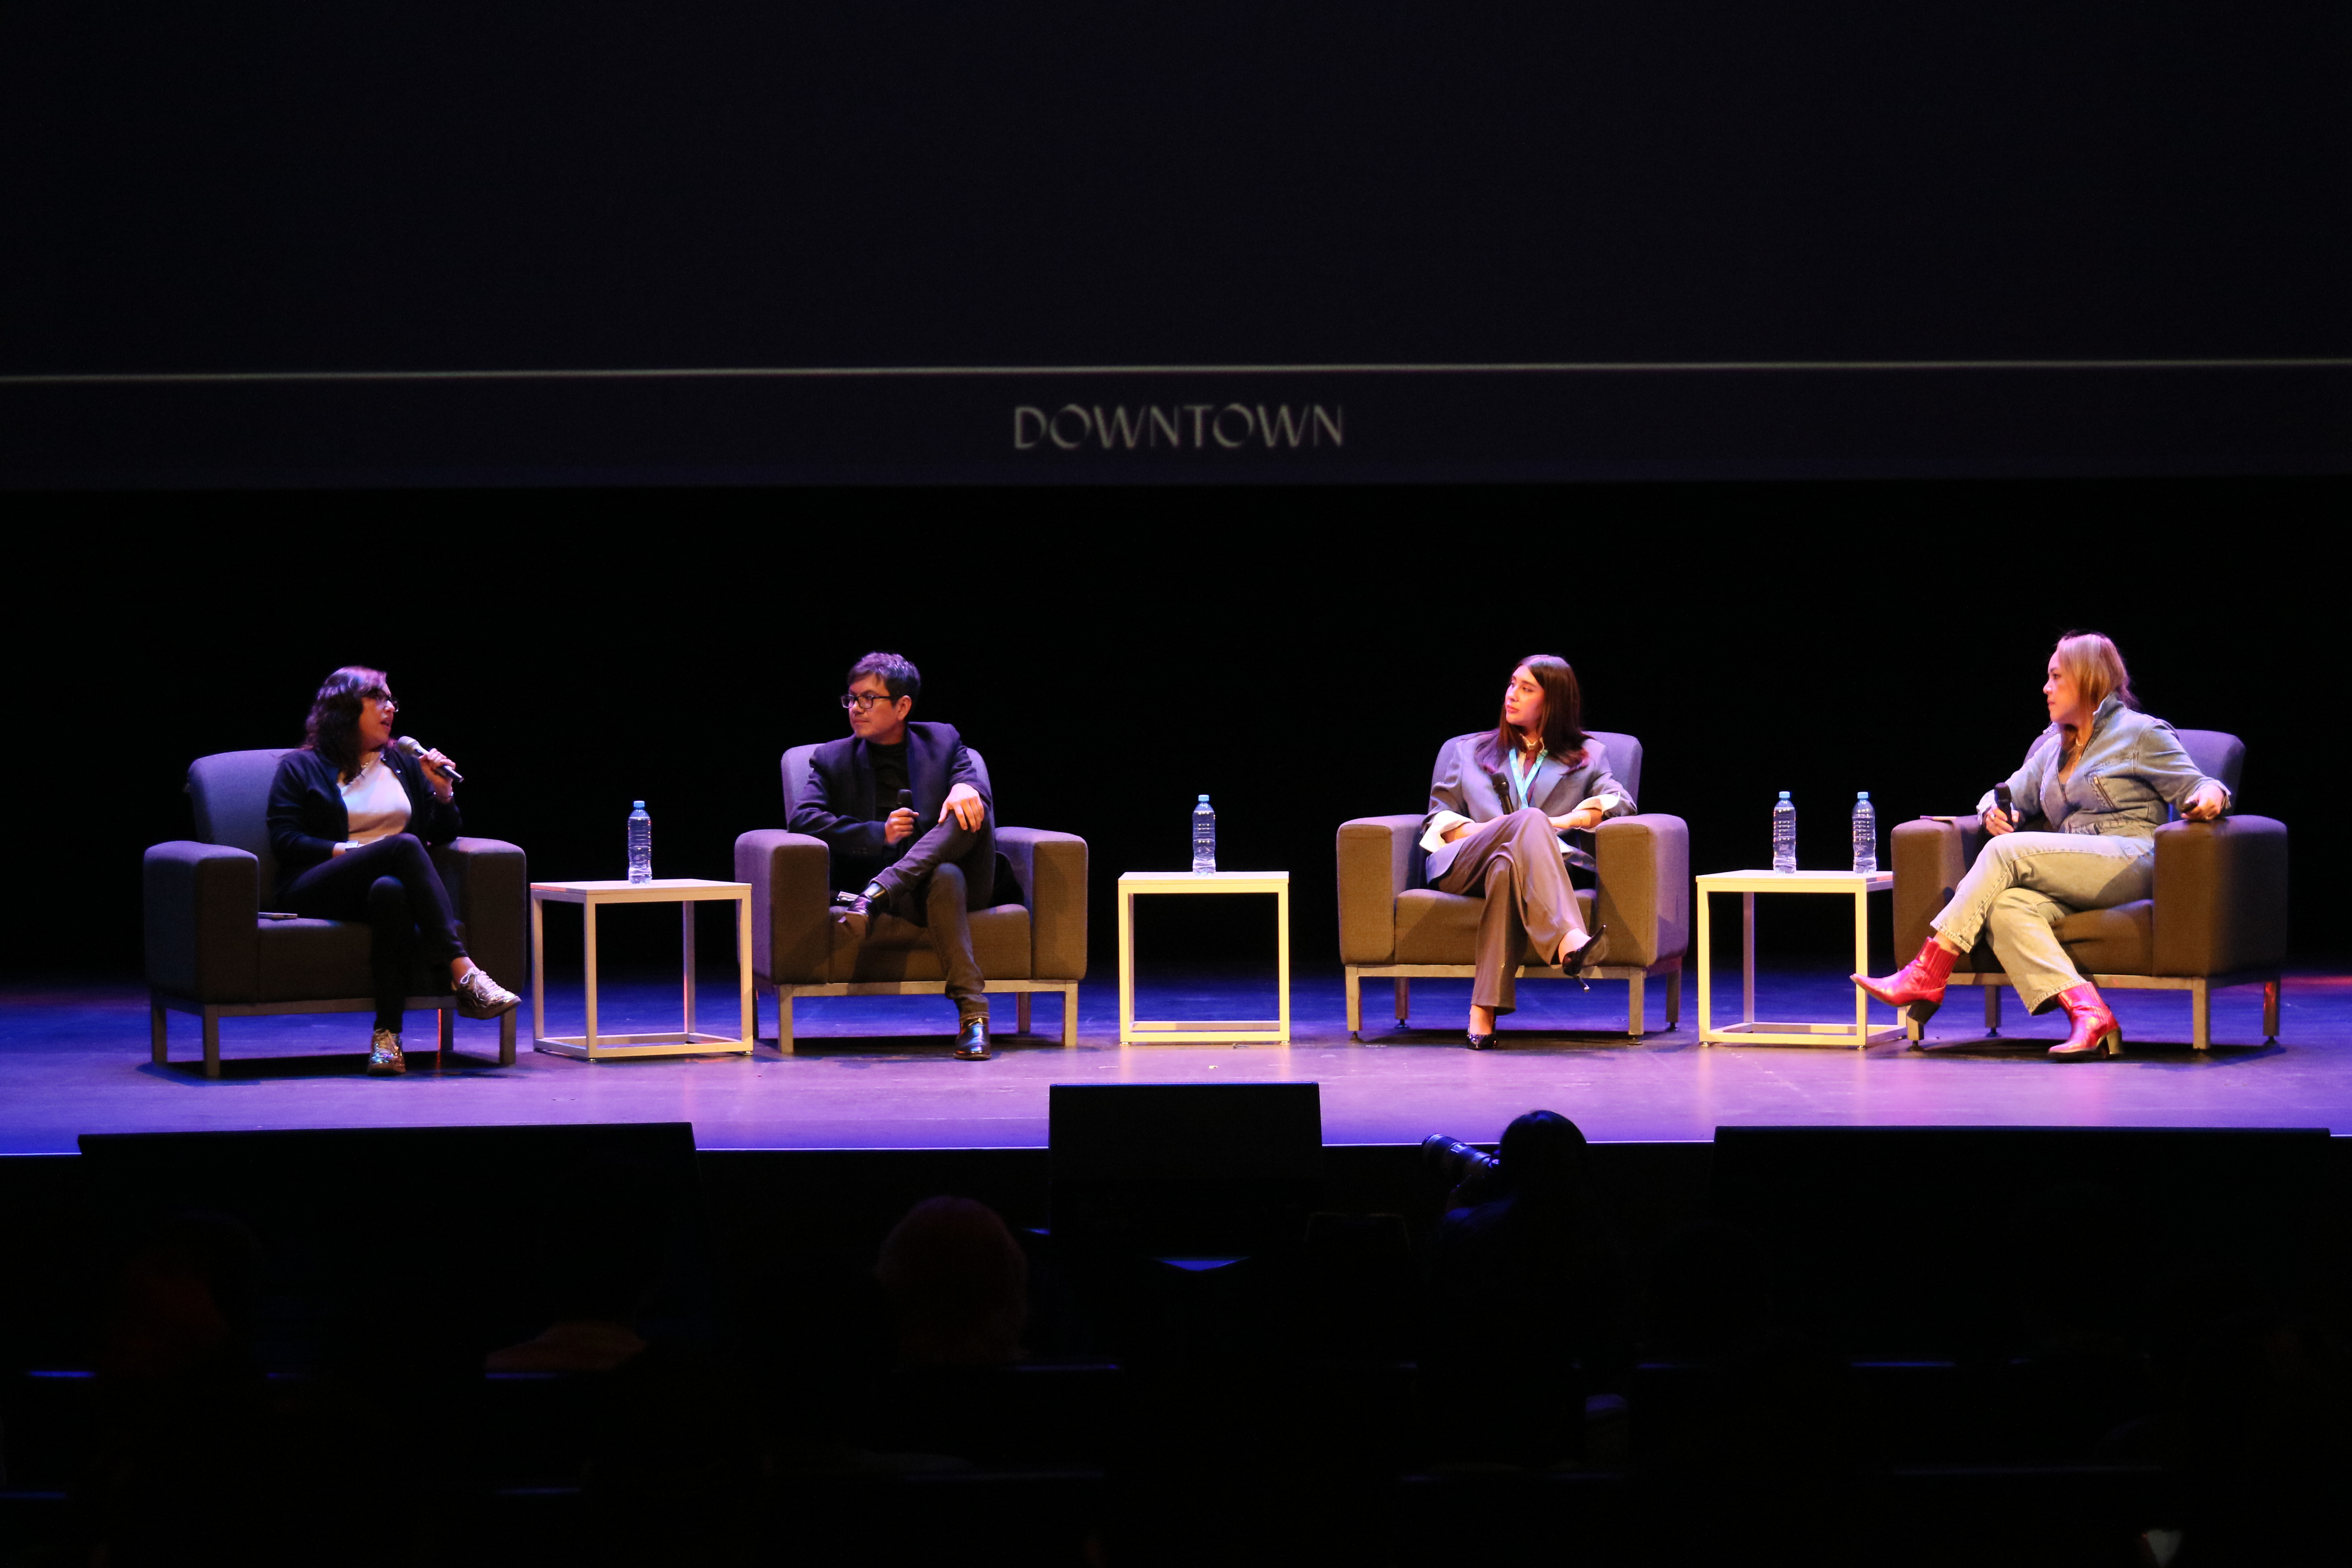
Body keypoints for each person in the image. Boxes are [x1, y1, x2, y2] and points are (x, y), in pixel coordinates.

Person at [1854, 632, 2231, 1058]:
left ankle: (1928, 971)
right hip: (2076, 866)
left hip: (2133, 858)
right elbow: (2001, 793)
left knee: (2005, 853)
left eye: (2056, 677)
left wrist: (2210, 798)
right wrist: (1991, 812)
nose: (2046, 688)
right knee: (2006, 906)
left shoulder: (2140, 733)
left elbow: (2201, 784)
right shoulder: (2053, 749)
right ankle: (2091, 1014)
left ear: (2087, 679)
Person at [265, 666, 519, 1076]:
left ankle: (387, 1039)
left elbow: (443, 834)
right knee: (402, 846)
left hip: (381, 888)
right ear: (345, 708)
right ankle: (465, 973)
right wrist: (353, 852)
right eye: (378, 699)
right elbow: (285, 840)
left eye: (392, 701)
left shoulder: (403, 764)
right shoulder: (300, 766)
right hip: (315, 886)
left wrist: (443, 794)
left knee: (391, 891)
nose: (390, 709)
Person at [789, 652, 998, 1061]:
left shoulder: (943, 741)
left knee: (969, 814)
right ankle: (974, 1017)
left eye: (869, 699)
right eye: (851, 699)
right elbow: (804, 820)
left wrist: (966, 788)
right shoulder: (832, 757)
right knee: (945, 875)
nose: (856, 709)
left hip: (945, 887)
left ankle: (879, 891)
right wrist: (877, 833)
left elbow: (973, 794)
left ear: (903, 707)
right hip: (910, 892)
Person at [1422, 656, 1635, 1048]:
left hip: (1519, 869)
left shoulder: (1588, 755)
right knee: (1527, 823)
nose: (1512, 695)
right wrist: (1509, 827)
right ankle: (1570, 940)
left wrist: (1563, 821)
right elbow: (1439, 819)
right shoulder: (1468, 751)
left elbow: (1618, 802)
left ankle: (1483, 1009)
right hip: (1466, 862)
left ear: (1553, 701)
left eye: (1526, 689)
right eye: (1512, 684)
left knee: (1507, 867)